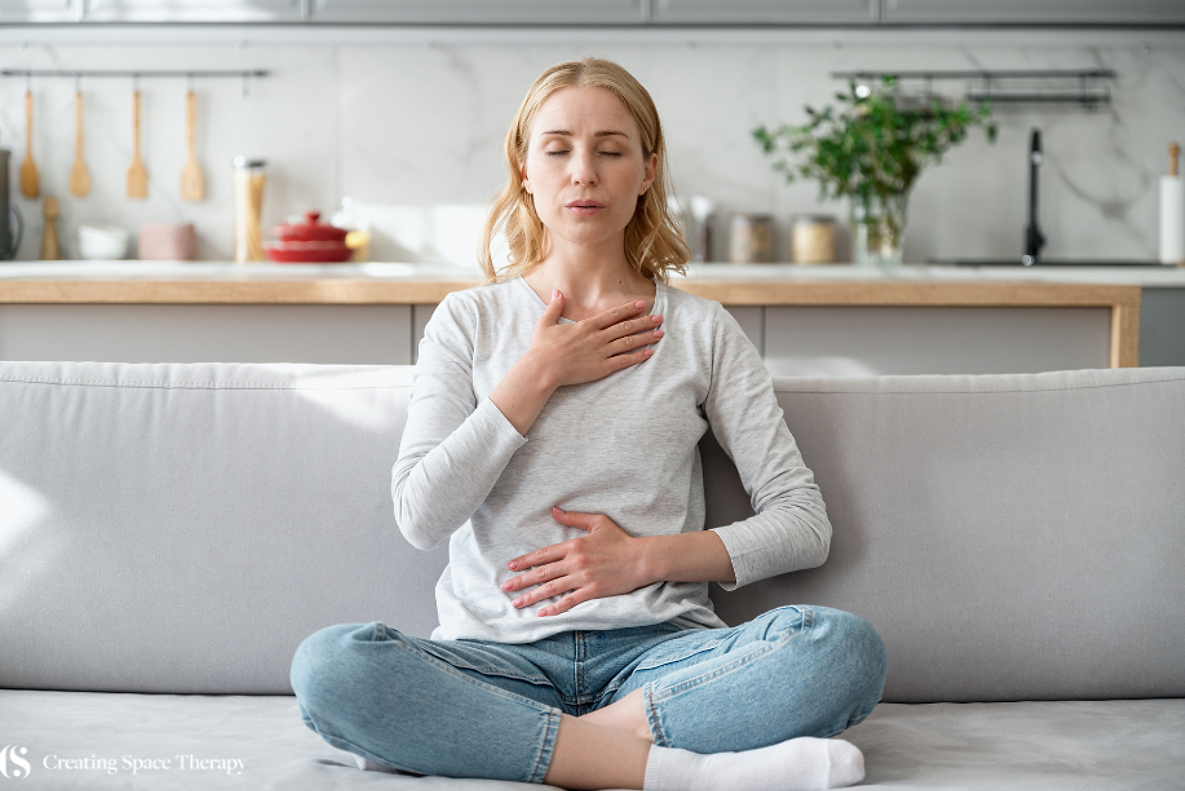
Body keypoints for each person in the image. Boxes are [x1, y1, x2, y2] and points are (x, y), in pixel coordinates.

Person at [291, 57, 886, 791]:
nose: (584, 172)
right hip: (497, 659)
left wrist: (645, 559)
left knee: (841, 649)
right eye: (558, 148)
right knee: (330, 666)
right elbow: (421, 514)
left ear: (646, 171)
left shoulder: (701, 330)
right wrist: (536, 373)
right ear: (524, 167)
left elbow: (803, 522)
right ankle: (683, 772)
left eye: (611, 150)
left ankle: (508, 745)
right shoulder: (468, 322)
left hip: (660, 660)